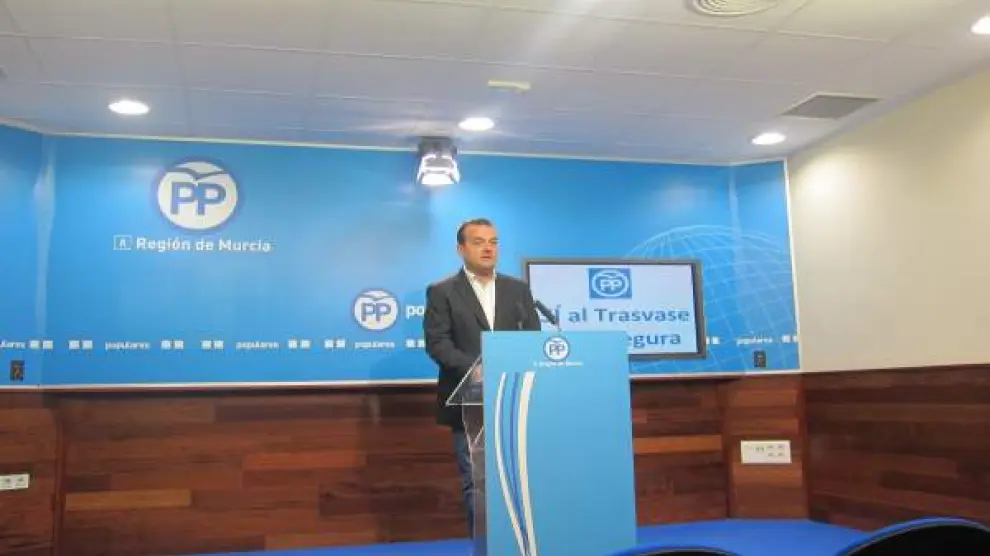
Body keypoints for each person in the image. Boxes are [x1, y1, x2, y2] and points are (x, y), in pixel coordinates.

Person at [422, 217, 542, 537]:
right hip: (469, 401)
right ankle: (488, 546)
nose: (488, 248)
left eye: (493, 242)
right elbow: (437, 343)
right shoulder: (442, 291)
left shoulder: (518, 290)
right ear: (461, 249)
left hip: (515, 399)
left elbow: (533, 338)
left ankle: (521, 543)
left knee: (519, 478)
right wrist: (475, 368)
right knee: (477, 482)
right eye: (478, 242)